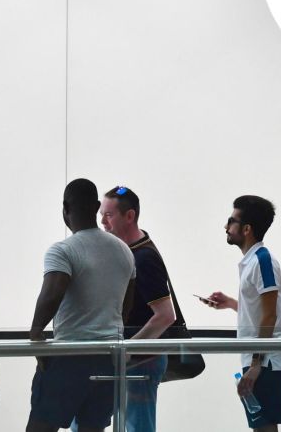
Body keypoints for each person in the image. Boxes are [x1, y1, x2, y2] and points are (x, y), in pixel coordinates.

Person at [27, 178, 136, 432]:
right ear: (97, 206)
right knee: (92, 428)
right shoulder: (124, 251)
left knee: (40, 427)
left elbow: (52, 293)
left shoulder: (63, 250)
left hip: (69, 356)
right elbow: (125, 306)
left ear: (65, 208)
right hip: (109, 357)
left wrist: (35, 335)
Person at [96, 186, 177, 432]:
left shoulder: (143, 258)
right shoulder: (130, 252)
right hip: (135, 358)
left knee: (138, 426)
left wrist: (128, 351)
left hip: (142, 360)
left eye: (108, 215)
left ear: (129, 216)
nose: (102, 222)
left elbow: (165, 315)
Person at [206, 195, 281, 432]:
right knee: (261, 427)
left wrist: (255, 364)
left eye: (231, 221)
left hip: (266, 362)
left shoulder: (262, 261)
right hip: (260, 359)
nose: (226, 226)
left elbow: (270, 315)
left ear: (247, 229)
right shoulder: (252, 261)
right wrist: (232, 304)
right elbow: (260, 309)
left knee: (264, 428)